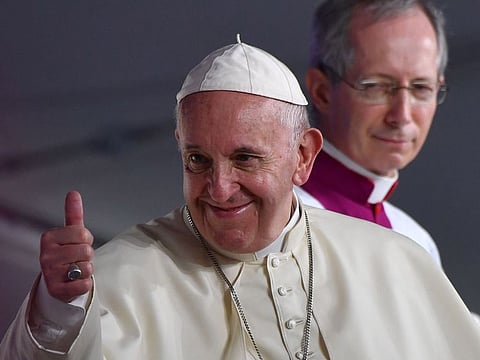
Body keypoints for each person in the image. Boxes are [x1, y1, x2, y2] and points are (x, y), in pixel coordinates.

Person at [1, 36, 479, 360]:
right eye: (197, 161)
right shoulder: (121, 274)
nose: (219, 189)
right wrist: (59, 310)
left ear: (303, 156)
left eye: (246, 159)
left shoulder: (391, 261)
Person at [295, 0, 447, 266]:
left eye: (421, 88)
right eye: (376, 86)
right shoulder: (282, 226)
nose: (401, 116)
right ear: (321, 91)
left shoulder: (417, 242)